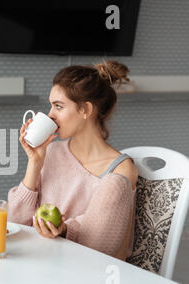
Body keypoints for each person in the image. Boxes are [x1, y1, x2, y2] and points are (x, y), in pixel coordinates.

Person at [8, 60, 138, 261]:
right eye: (51, 106)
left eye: (58, 106)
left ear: (85, 110)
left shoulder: (120, 172)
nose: (50, 115)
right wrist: (34, 163)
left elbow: (101, 247)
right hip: (36, 261)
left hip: (81, 274)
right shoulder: (51, 152)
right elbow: (14, 223)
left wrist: (64, 230)